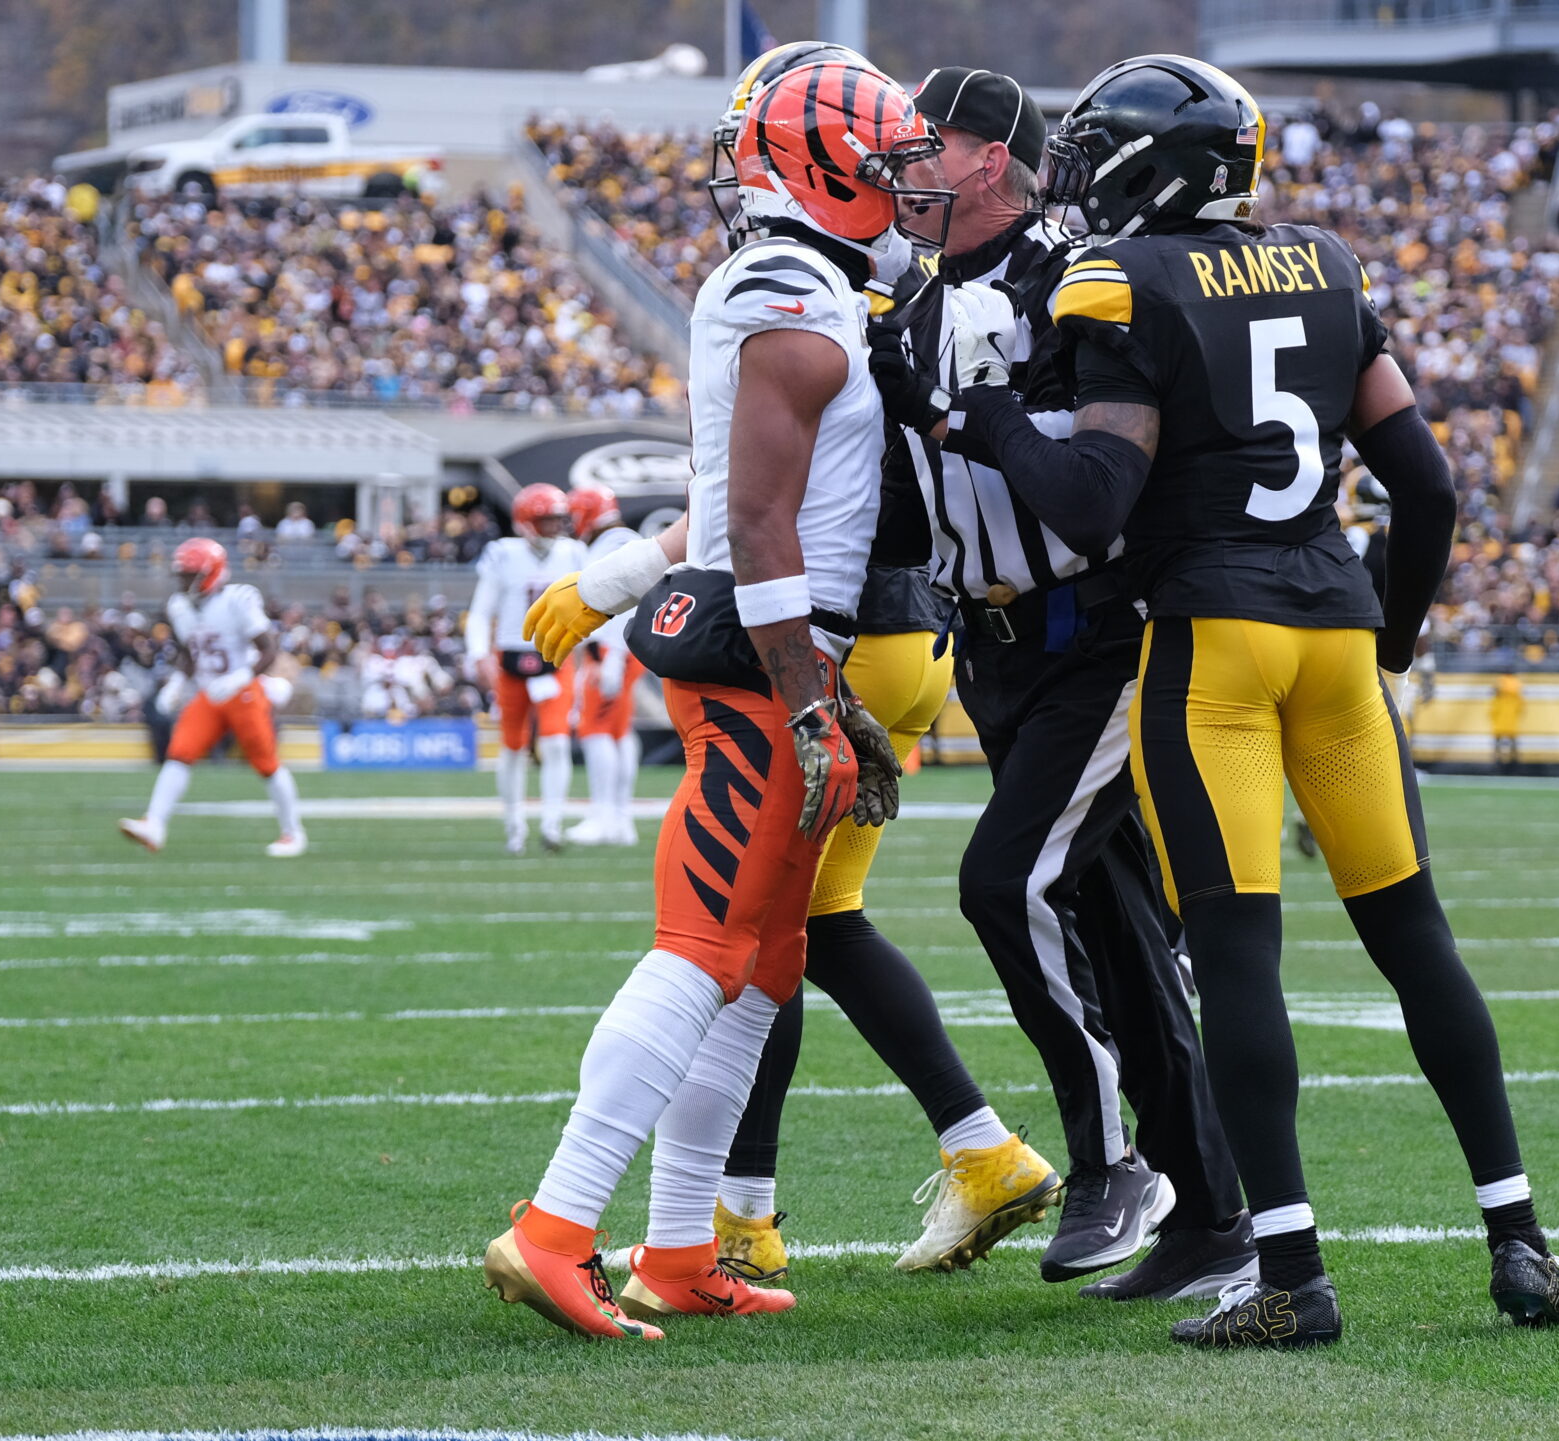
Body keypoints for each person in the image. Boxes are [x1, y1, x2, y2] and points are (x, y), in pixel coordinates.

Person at [955, 54, 1559, 1346]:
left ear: (1150, 163)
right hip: (1338, 637)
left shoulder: (1123, 276)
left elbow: (1088, 500)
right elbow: (1432, 488)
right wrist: (1392, 635)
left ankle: (1290, 1274)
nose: (1074, 174)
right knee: (1418, 942)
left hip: (1216, 645)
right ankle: (1518, 1240)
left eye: (1095, 150)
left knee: (1238, 960)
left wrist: (996, 422)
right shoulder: (1331, 263)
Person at [491, 60, 937, 1340]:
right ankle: (554, 1225)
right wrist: (809, 700)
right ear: (821, 164)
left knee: (762, 968)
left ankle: (679, 1245)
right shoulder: (786, 288)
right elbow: (752, 515)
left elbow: (729, 499)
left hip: (790, 650)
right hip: (763, 663)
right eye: (887, 159)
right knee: (701, 952)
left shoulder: (819, 285)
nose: (902, 185)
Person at [657, 45, 1063, 1288]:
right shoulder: (887, 276)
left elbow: (751, 501)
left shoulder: (814, 284)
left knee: (774, 921)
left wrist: (625, 577)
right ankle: (924, 1162)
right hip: (905, 625)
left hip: (853, 628)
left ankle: (759, 1206)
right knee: (799, 919)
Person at [877, 61, 1252, 1296]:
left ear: (992, 156)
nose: (906, 167)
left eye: (926, 144)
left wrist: (965, 418)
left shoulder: (1075, 276)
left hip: (1096, 627)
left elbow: (1096, 483)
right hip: (991, 646)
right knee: (1117, 927)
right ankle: (1210, 1214)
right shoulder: (923, 299)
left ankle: (1106, 1160)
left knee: (1007, 881)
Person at [117, 539, 306, 858]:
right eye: (182, 575)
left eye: (189, 575)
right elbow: (190, 654)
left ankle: (293, 833)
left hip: (244, 692)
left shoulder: (237, 599)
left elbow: (269, 649)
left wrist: (241, 677)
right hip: (210, 693)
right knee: (179, 752)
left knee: (266, 764)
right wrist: (177, 683)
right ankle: (155, 824)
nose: (183, 581)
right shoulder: (179, 606)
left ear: (210, 573)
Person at [467, 484, 590, 854]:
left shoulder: (574, 553)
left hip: (556, 658)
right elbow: (480, 610)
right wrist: (477, 654)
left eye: (557, 519)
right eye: (547, 519)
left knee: (555, 743)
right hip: (510, 660)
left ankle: (552, 823)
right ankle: (513, 825)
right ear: (526, 521)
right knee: (512, 746)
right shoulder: (503, 554)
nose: (555, 526)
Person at [564, 487, 645, 848]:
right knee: (617, 731)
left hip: (615, 649)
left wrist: (610, 657)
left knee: (597, 730)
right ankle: (618, 817)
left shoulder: (615, 545)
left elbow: (621, 605)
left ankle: (607, 815)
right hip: (620, 649)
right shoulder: (621, 541)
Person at [1491, 670, 1524, 772]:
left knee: (1504, 744)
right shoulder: (1511, 698)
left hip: (1504, 725)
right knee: (1506, 744)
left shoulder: (1503, 699)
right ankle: (1510, 761)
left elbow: (1492, 712)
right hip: (1506, 725)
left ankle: (1503, 761)